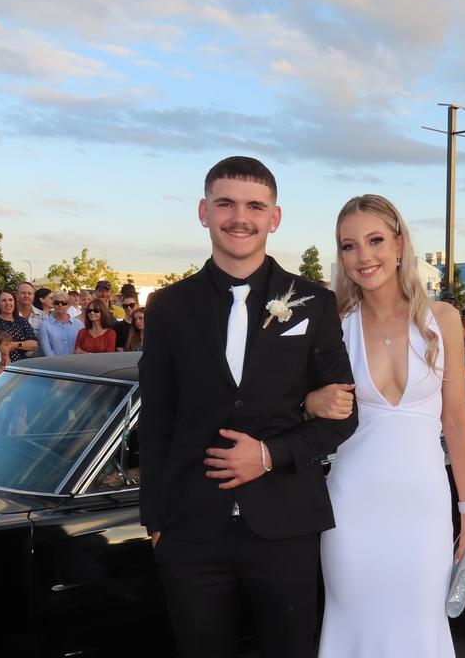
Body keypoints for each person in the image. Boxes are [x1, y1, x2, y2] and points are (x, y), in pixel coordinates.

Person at [137, 156, 357, 657]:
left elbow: (345, 416)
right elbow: (157, 420)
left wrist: (269, 455)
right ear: (204, 211)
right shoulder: (169, 307)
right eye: (226, 204)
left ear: (274, 218)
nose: (241, 217)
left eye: (255, 206)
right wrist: (156, 523)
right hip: (191, 529)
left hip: (285, 526)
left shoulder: (313, 302)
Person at [297, 193, 465, 657]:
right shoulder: (333, 324)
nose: (364, 256)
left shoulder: (443, 319)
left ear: (399, 243)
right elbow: (295, 407)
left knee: (420, 630)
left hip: (423, 509)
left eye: (375, 240)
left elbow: (457, 422)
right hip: (350, 507)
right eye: (349, 246)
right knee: (355, 627)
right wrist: (309, 400)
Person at [0, 290, 39, 363]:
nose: (8, 303)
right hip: (4, 364)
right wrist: (24, 345)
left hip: (25, 364)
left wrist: (15, 345)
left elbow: (34, 344)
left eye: (10, 300)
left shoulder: (22, 321)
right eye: (4, 300)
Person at [38, 290, 81, 356]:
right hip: (54, 364)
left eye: (64, 303)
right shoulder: (45, 325)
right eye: (56, 302)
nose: (60, 305)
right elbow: (47, 351)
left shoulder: (78, 324)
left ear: (69, 305)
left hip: (76, 363)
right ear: (52, 304)